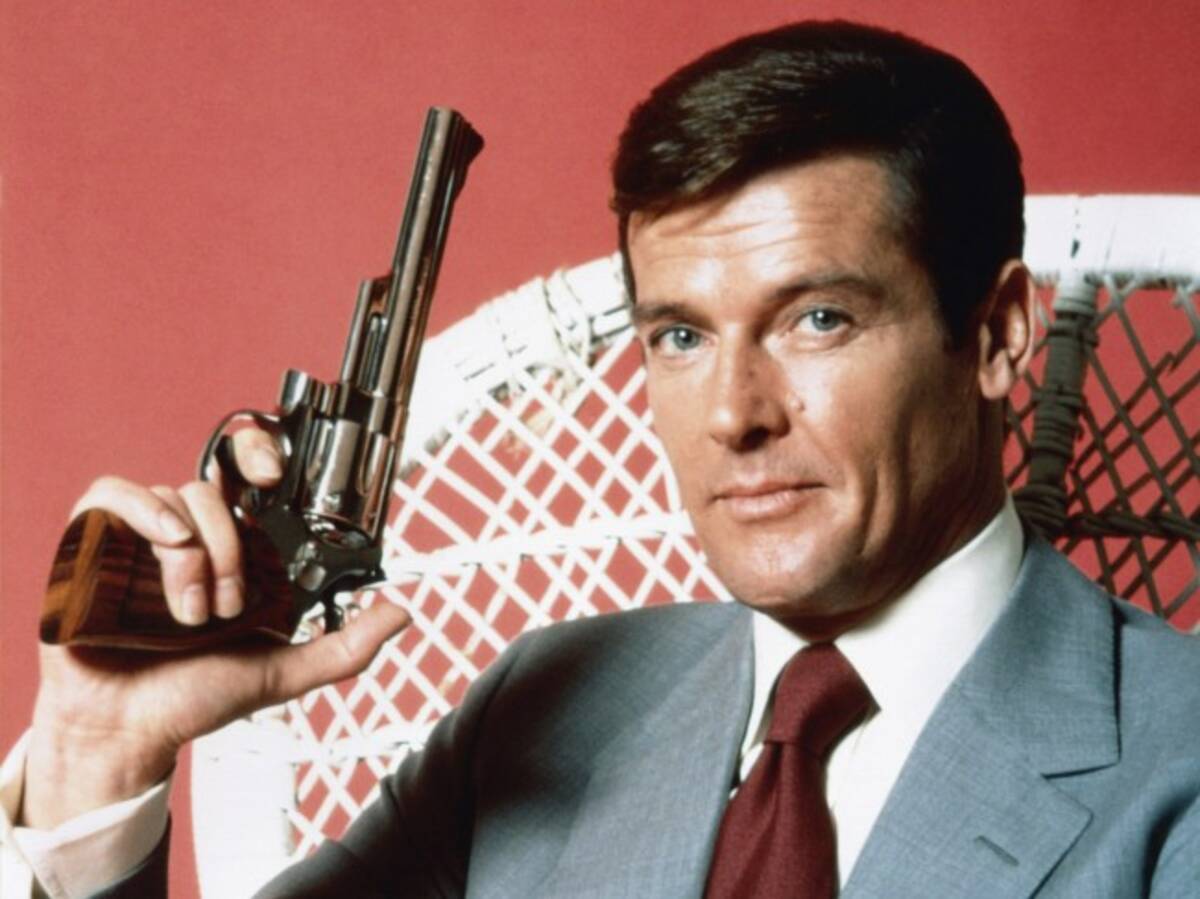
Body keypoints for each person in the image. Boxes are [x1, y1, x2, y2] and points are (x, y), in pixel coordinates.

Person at [3, 19, 1198, 898]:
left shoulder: (1175, 763)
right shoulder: (553, 698)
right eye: (680, 335)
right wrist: (95, 758)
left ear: (997, 335)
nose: (732, 413)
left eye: (817, 319)